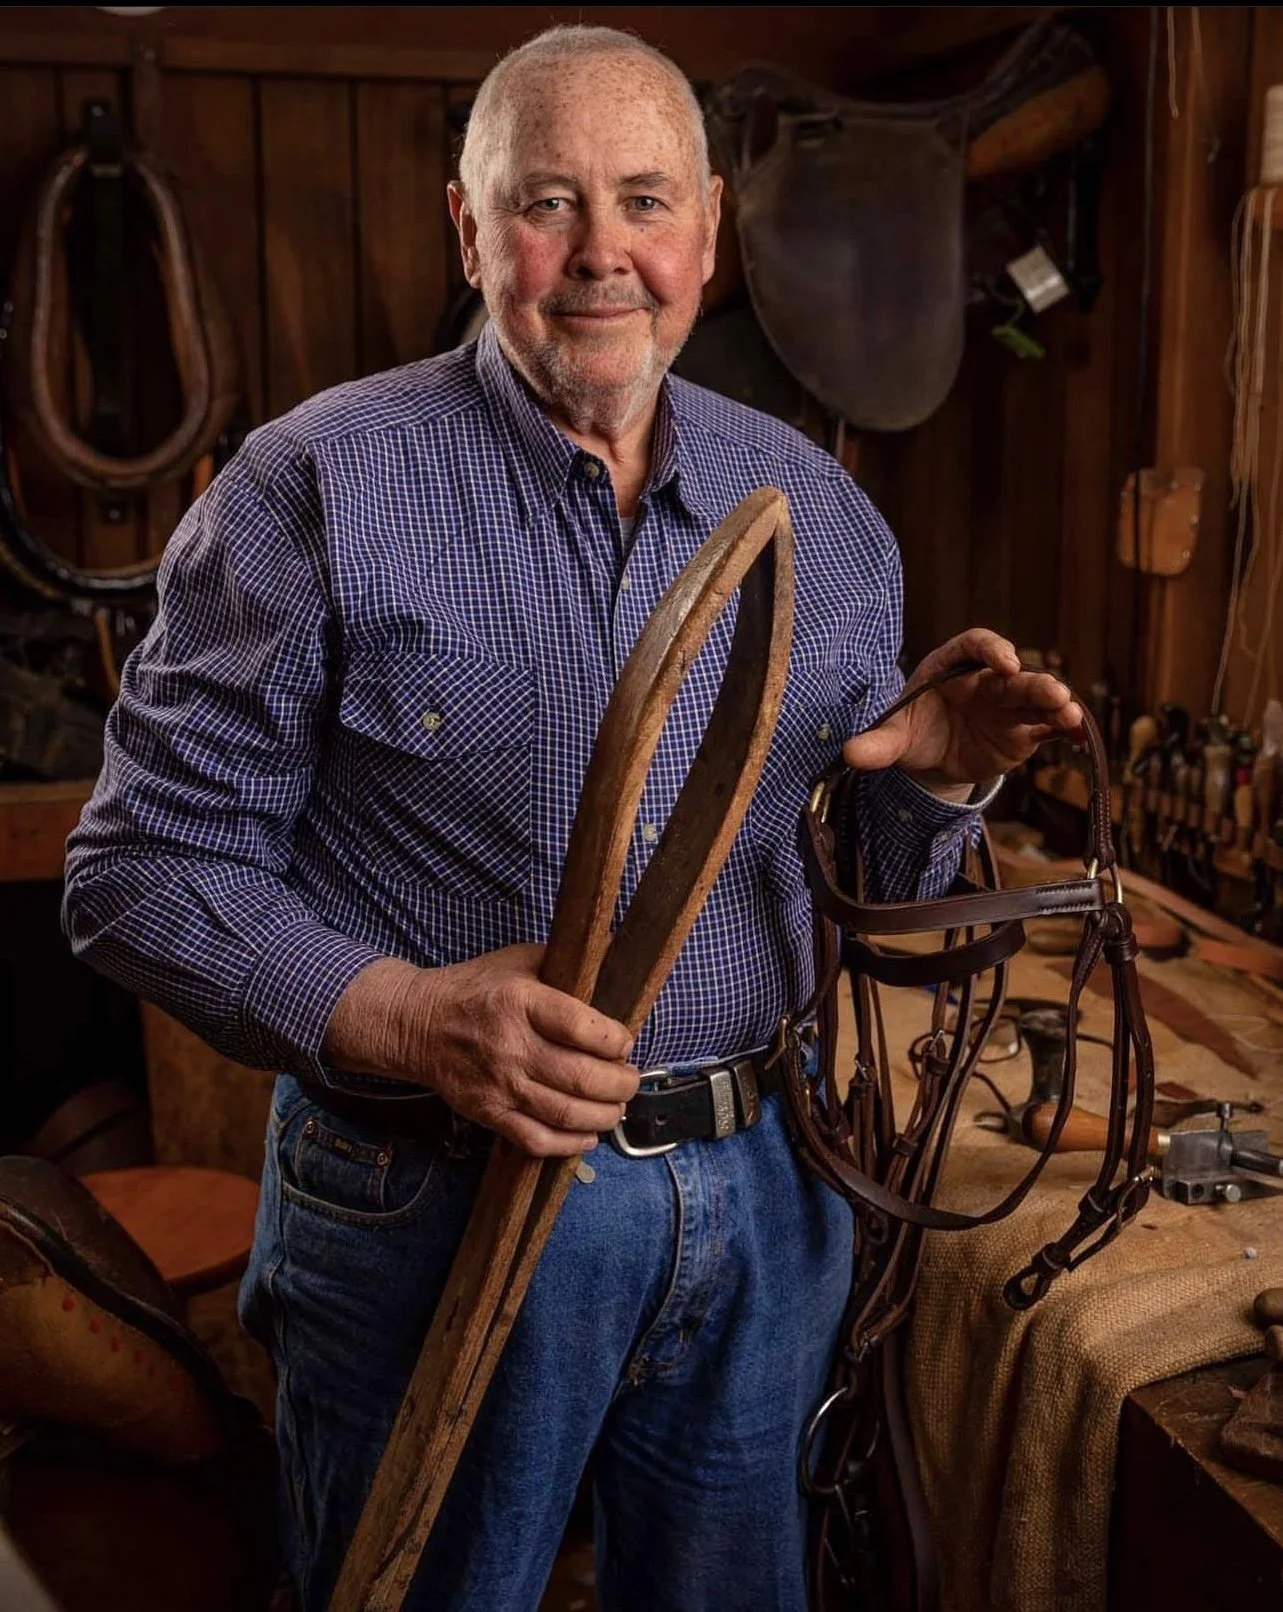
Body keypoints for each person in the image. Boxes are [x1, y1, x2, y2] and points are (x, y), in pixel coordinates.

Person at [62, 24, 1081, 1612]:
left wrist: (939, 774)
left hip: (761, 1195)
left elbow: (861, 883)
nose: (602, 251)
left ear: (706, 236)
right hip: (428, 1195)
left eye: (643, 200)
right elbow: (135, 871)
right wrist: (409, 1018)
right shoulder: (313, 486)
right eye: (545, 202)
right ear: (468, 234)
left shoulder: (816, 511)